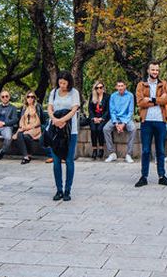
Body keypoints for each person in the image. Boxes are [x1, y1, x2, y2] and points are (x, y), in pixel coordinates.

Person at [134, 62, 167, 187]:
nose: (155, 72)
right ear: (148, 70)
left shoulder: (163, 84)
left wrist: (151, 99)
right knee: (146, 150)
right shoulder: (141, 85)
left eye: (157, 70)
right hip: (146, 121)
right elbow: (140, 102)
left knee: (160, 150)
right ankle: (144, 177)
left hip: (160, 121)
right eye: (153, 69)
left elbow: (166, 100)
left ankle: (162, 176)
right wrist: (158, 100)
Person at [46, 71, 80, 202]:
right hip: (55, 130)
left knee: (69, 160)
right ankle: (59, 189)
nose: (62, 85)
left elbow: (74, 110)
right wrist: (54, 119)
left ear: (69, 83)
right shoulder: (54, 92)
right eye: (60, 83)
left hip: (70, 131)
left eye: (64, 83)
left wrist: (63, 120)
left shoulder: (74, 93)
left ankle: (67, 190)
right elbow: (50, 108)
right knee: (56, 161)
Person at [103, 80, 137, 164]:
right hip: (116, 118)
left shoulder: (130, 95)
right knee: (106, 129)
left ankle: (129, 154)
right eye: (119, 86)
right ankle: (112, 153)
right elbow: (112, 111)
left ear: (125, 86)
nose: (120, 88)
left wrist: (123, 124)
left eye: (122, 86)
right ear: (116, 87)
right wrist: (116, 123)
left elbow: (130, 111)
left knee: (133, 129)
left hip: (126, 118)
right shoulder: (113, 96)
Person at [14, 93, 43, 163]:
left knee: (25, 136)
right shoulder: (24, 107)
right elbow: (21, 119)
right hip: (25, 128)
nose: (30, 98)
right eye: (28, 97)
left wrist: (28, 127)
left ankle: (28, 154)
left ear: (34, 98)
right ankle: (26, 156)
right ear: (26, 98)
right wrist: (22, 126)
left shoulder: (37, 106)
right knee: (19, 134)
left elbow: (39, 122)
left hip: (35, 128)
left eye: (32, 97)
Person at [87, 81, 109, 161]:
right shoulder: (92, 96)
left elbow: (108, 110)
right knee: (93, 129)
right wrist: (93, 118)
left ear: (103, 88)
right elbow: (90, 109)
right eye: (97, 88)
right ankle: (94, 149)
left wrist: (101, 118)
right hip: (94, 117)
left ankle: (101, 149)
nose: (99, 89)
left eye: (100, 87)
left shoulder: (107, 97)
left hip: (103, 118)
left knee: (100, 129)